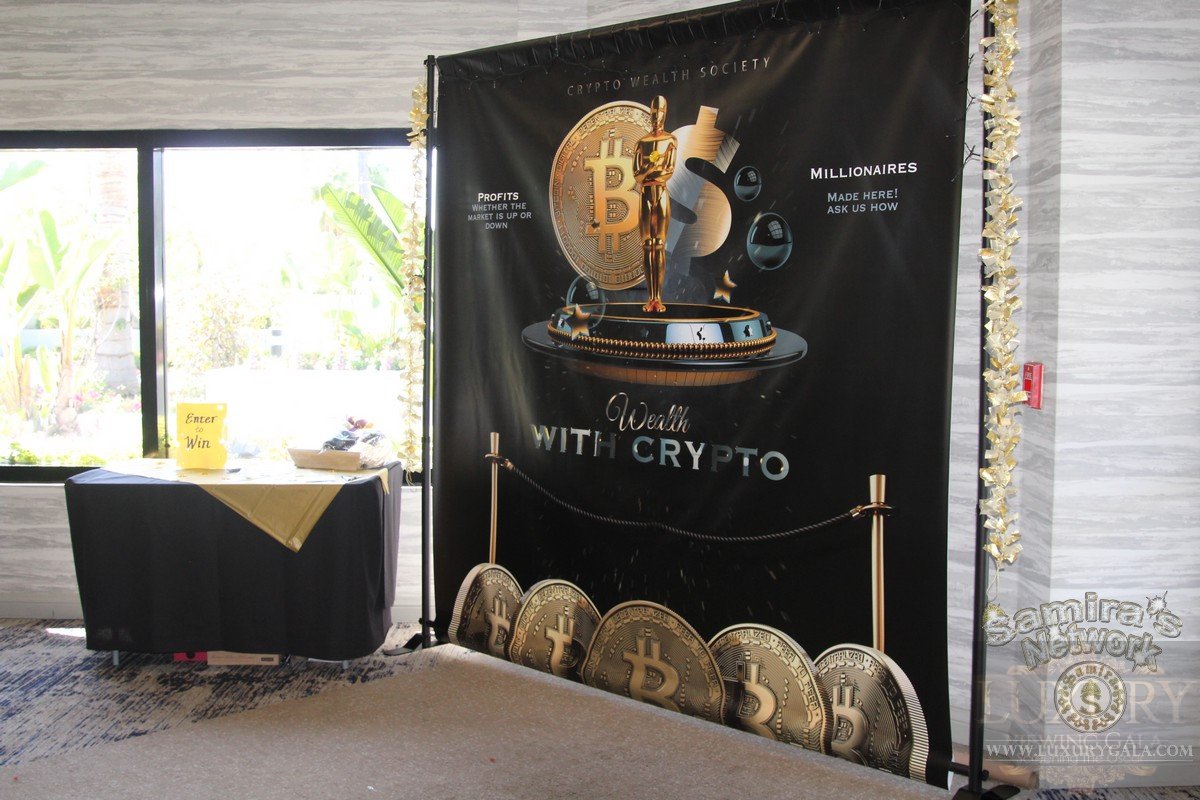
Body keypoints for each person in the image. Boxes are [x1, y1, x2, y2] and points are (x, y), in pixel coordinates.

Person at [634, 95, 677, 313]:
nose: (656, 117)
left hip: (660, 193)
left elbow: (668, 171)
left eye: (659, 113)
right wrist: (653, 170)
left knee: (658, 244)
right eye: (653, 113)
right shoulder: (641, 143)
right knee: (647, 245)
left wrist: (648, 171)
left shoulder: (670, 140)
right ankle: (649, 298)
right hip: (645, 194)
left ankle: (657, 298)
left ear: (665, 114)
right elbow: (637, 175)